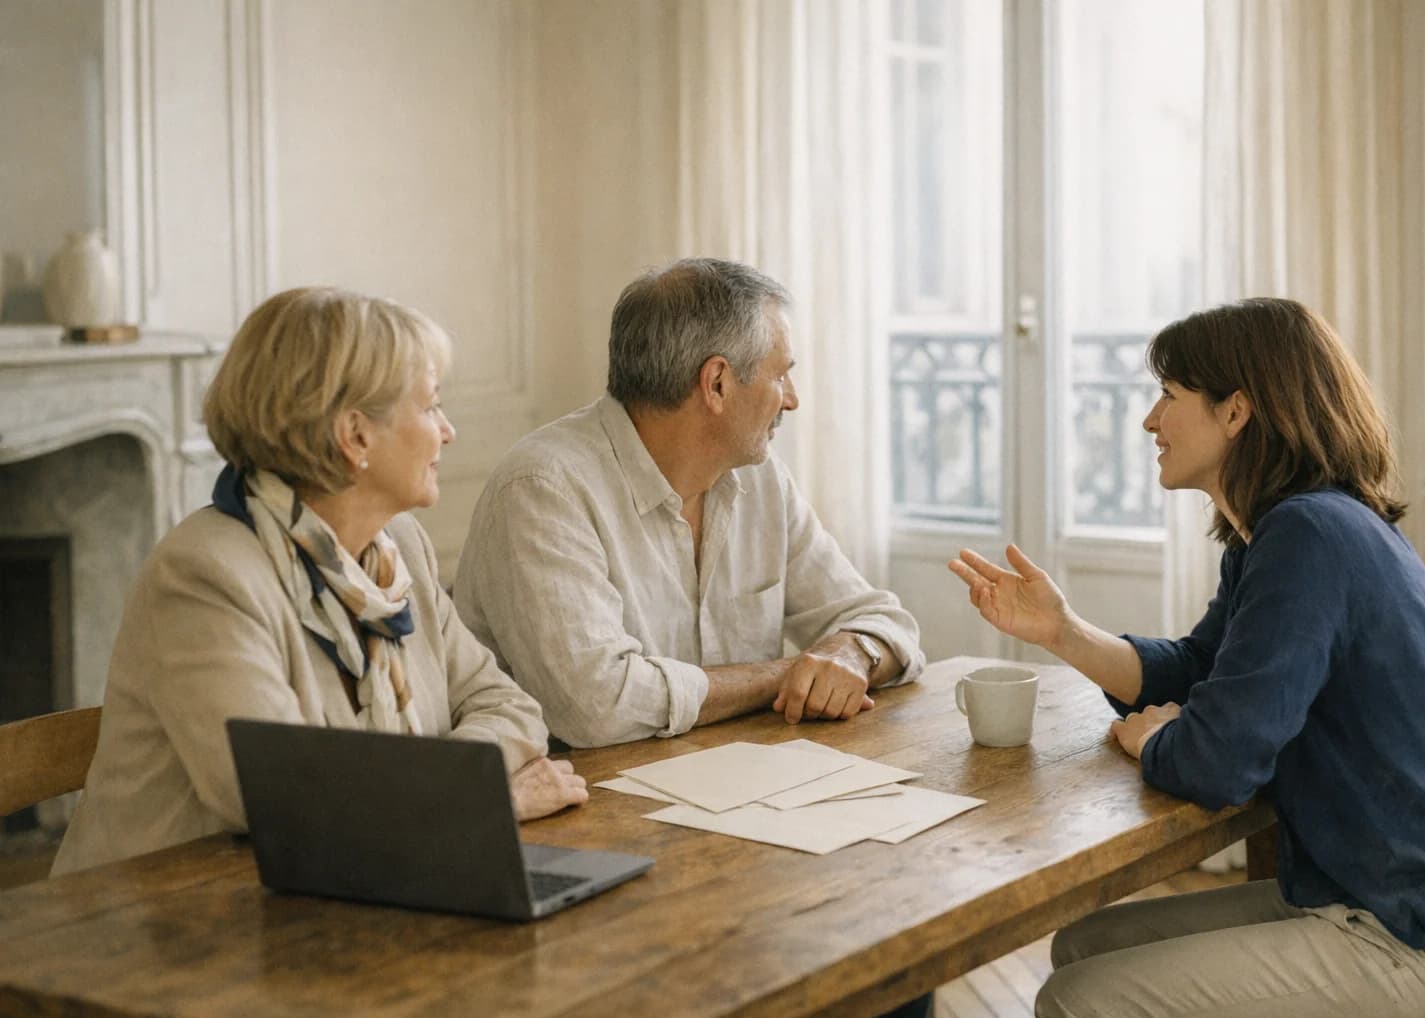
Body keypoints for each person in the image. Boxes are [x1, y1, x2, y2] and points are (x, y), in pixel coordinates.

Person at [948, 298, 1425, 1018]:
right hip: (1390, 896)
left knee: (1080, 1000)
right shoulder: (1285, 534)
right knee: (1086, 946)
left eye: (1169, 395)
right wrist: (1064, 632)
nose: (1150, 421)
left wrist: (1160, 738)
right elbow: (1198, 670)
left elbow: (1219, 761)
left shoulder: (1309, 536)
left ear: (1236, 412)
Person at [53, 287, 586, 876]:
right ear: (355, 435)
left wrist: (431, 792)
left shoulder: (399, 547)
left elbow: (507, 705)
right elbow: (280, 799)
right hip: (164, 930)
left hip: (361, 886)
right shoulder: (205, 575)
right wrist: (487, 796)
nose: (448, 431)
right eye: (431, 407)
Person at [453, 257, 925, 748]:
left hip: (736, 786)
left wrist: (853, 654)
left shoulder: (761, 480)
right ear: (716, 383)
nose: (792, 400)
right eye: (780, 376)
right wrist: (789, 674)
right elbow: (595, 707)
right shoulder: (541, 489)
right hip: (572, 803)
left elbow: (886, 622)